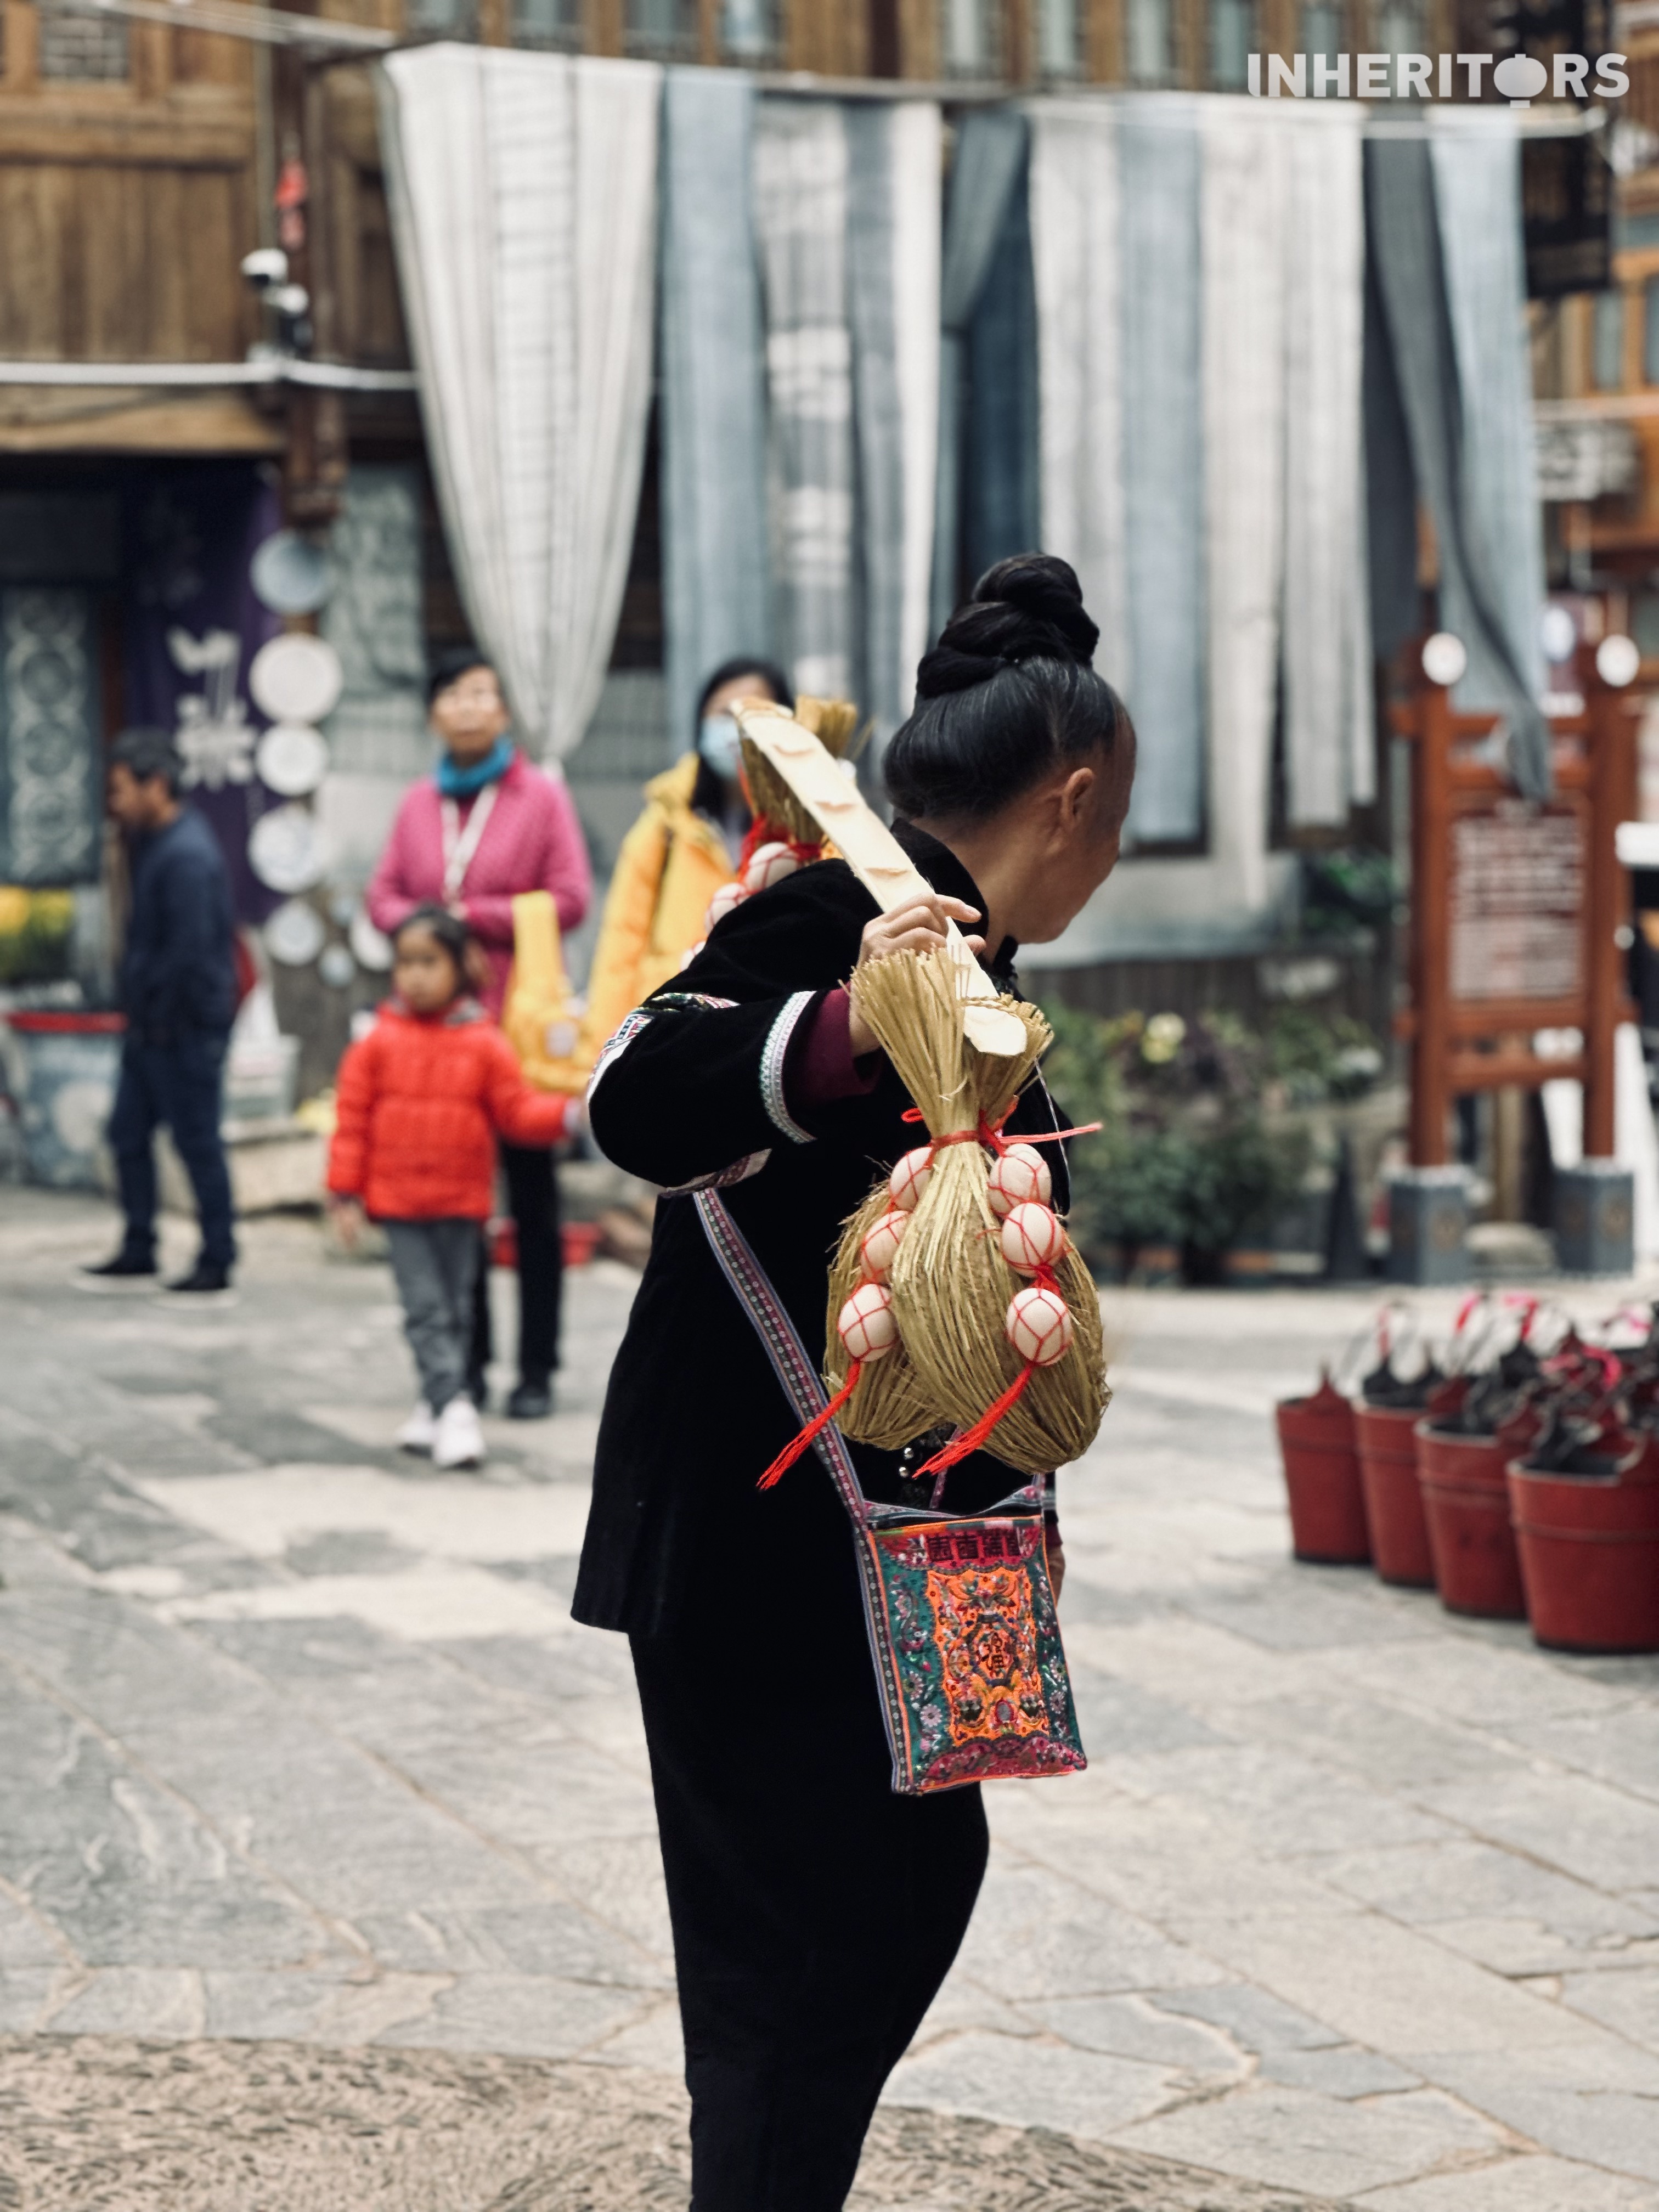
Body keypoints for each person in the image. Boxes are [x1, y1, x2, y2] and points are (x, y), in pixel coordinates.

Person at [573, 556, 1136, 2210]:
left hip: (896, 1565)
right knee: (791, 1975)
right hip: (759, 1554)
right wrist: (841, 1029)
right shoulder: (827, 913)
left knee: (894, 1906)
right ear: (1082, 795)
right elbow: (634, 1100)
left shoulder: (983, 962)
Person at [366, 647, 592, 1420]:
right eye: (452, 694)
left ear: (502, 710)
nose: (467, 707)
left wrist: (474, 921)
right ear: (433, 712)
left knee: (532, 1205)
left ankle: (535, 1368)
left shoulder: (541, 797)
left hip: (518, 1032)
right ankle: (464, 1365)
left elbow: (569, 897)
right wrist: (425, 928)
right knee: (456, 1207)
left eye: (481, 694)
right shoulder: (418, 803)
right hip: (442, 1038)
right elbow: (382, 897)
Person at [326, 906, 577, 1470]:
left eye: (429, 962)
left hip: (461, 1203)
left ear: (461, 966)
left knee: (458, 1309)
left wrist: (570, 1115)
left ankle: (431, 1403)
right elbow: (352, 1120)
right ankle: (455, 1404)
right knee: (425, 1309)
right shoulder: (375, 1043)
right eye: (405, 963)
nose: (414, 975)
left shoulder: (485, 1043)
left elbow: (516, 1111)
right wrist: (344, 1192)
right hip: (398, 1206)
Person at [82, 728, 239, 1296]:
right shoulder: (153, 844)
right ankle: (139, 1243)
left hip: (183, 1026)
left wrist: (160, 1010)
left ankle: (218, 1256)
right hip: (149, 1026)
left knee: (198, 1141)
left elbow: (189, 953)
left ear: (158, 786)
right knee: (128, 1135)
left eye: (124, 790)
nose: (117, 803)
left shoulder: (187, 856)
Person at [579, 657, 793, 1060]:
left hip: (773, 1036)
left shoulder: (812, 828)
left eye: (752, 711)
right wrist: (601, 1055)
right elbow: (622, 943)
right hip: (669, 1034)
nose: (736, 726)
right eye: (723, 713)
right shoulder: (664, 825)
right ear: (700, 723)